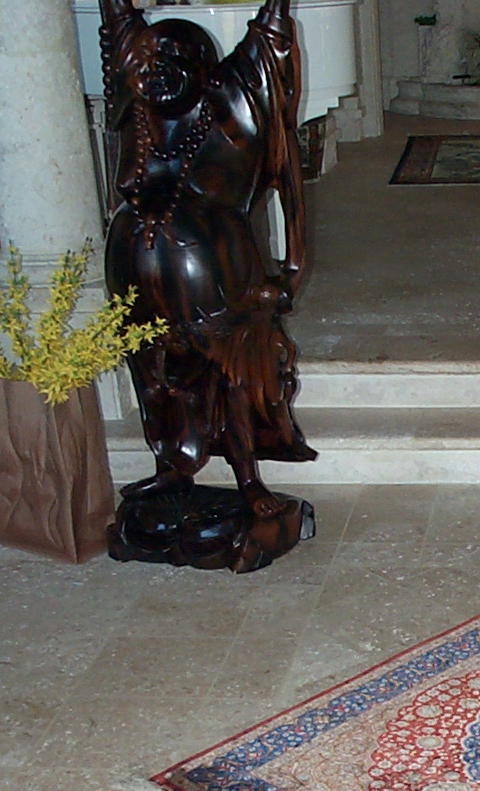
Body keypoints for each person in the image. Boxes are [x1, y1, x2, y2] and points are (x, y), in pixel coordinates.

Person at [100, 0, 317, 543]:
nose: (158, 69)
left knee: (230, 378)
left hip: (213, 274)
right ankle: (170, 467)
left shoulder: (235, 106)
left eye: (174, 59)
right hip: (135, 270)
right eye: (151, 59)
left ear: (206, 71)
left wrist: (291, 270)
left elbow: (270, 41)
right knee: (152, 377)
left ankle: (248, 481)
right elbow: (118, 21)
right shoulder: (138, 104)